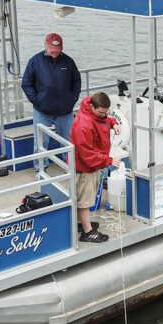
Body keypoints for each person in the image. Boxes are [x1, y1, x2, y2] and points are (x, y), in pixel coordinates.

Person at [21, 33, 82, 171]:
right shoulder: (35, 61)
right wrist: (37, 101)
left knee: (69, 142)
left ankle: (71, 168)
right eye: (52, 48)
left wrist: (73, 99)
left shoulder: (69, 62)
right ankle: (40, 170)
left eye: (58, 49)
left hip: (65, 112)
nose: (55, 51)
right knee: (41, 143)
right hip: (42, 111)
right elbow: (26, 83)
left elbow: (77, 81)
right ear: (45, 45)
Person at [70, 92, 121, 243]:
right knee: (84, 200)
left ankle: (82, 223)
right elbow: (87, 153)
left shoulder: (95, 113)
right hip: (84, 166)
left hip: (92, 163)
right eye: (101, 112)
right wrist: (109, 160)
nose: (103, 115)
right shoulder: (84, 124)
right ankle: (87, 232)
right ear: (92, 107)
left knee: (84, 197)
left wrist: (113, 122)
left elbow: (103, 119)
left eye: (106, 113)